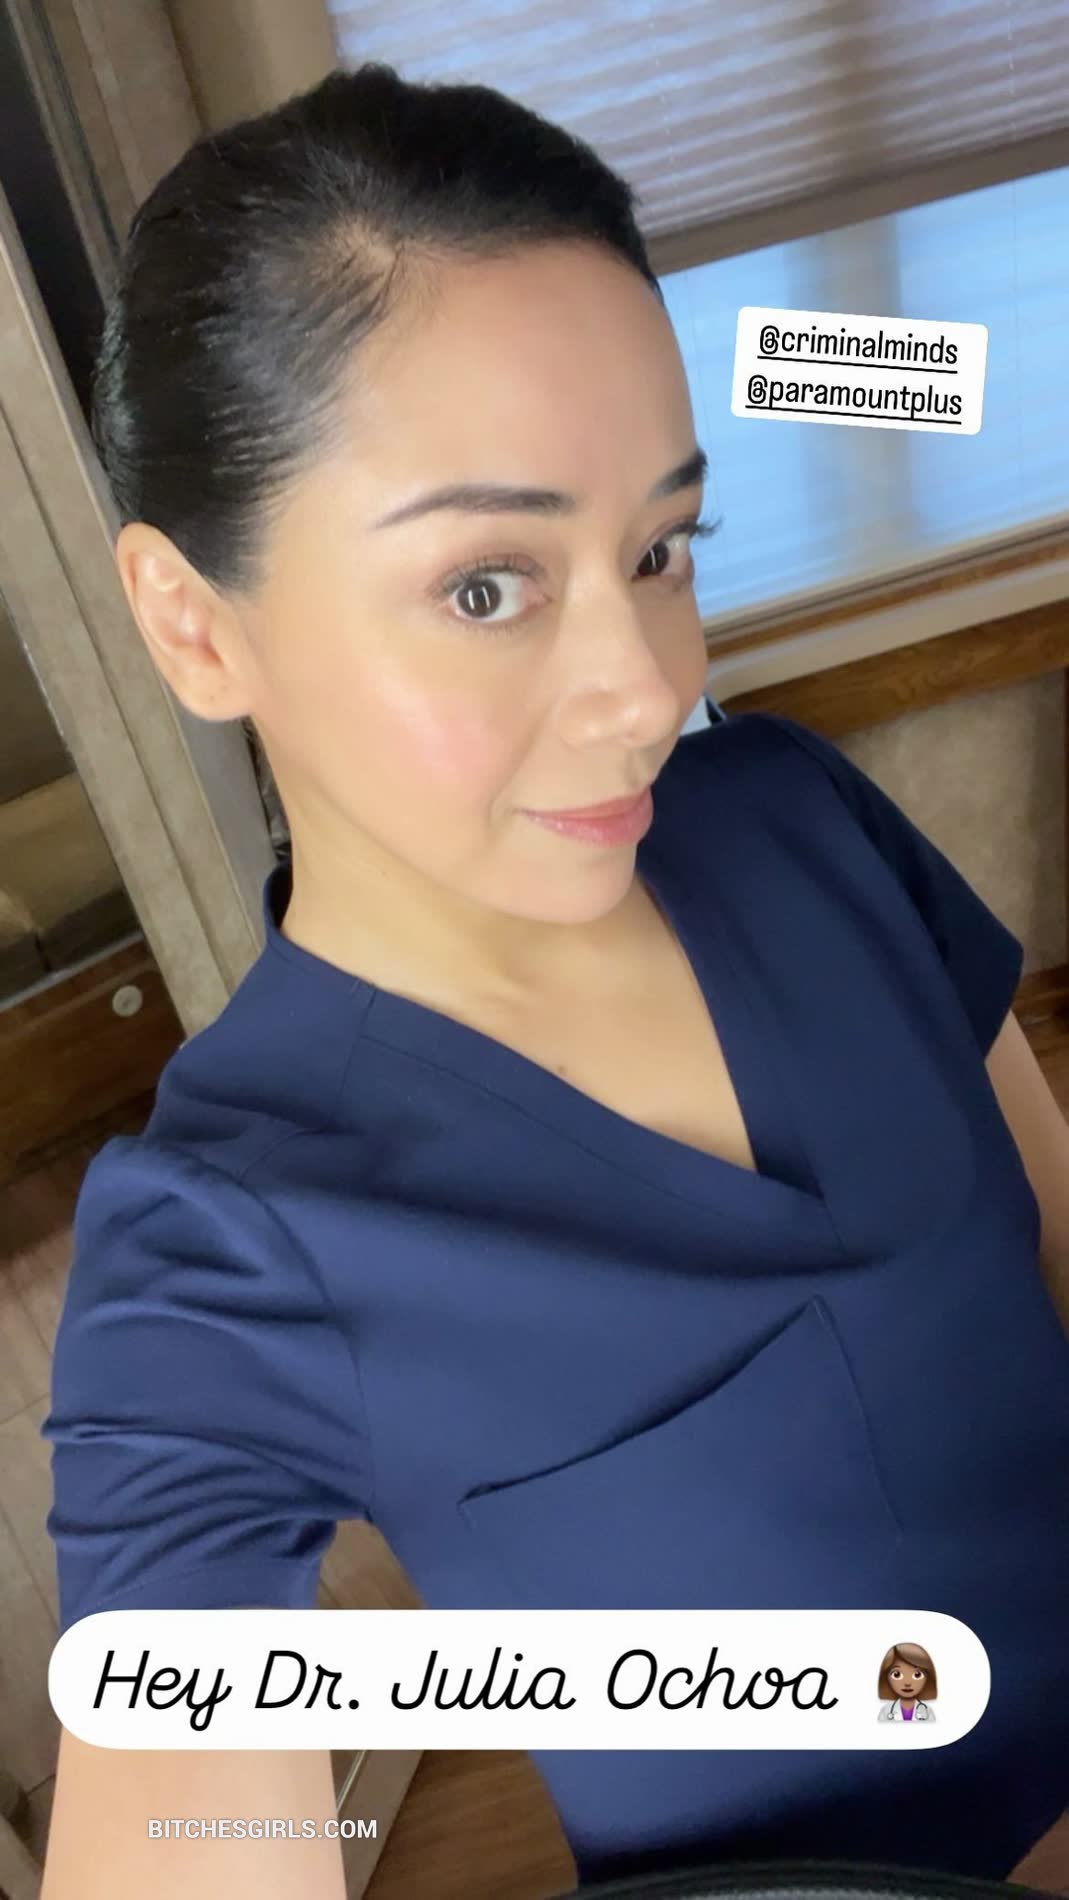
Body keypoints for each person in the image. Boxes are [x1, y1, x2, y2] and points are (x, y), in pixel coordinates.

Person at [39, 59, 1069, 1900]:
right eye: (485, 587)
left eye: (657, 549)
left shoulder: (797, 820)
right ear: (195, 624)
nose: (649, 689)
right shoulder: (219, 1260)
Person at [877, 1643, 938, 1723]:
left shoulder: (927, 1712)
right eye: (897, 1674)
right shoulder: (885, 1712)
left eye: (917, 1675)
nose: (907, 1683)